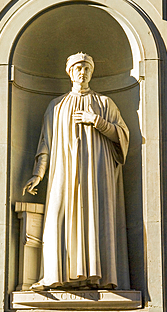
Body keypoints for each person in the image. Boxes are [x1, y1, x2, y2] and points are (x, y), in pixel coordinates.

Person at [23, 52, 130, 290]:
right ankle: (54, 276)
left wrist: (97, 121)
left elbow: (122, 136)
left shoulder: (104, 103)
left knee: (94, 217)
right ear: (70, 72)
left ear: (91, 72)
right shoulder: (57, 105)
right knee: (57, 215)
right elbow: (45, 143)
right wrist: (39, 173)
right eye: (78, 68)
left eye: (87, 69)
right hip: (63, 171)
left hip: (96, 173)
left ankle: (95, 277)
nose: (82, 72)